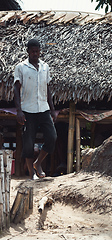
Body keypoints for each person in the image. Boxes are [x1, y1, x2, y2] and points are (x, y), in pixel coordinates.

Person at [13, 39, 57, 180]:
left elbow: (47, 88)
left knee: (52, 137)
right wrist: (19, 110)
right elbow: (16, 88)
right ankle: (32, 175)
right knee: (28, 143)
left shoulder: (45, 67)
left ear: (40, 51)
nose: (35, 53)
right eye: (32, 51)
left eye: (37, 51)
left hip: (43, 108)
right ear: (28, 51)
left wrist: (52, 109)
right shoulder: (21, 67)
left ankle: (38, 163)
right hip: (27, 109)